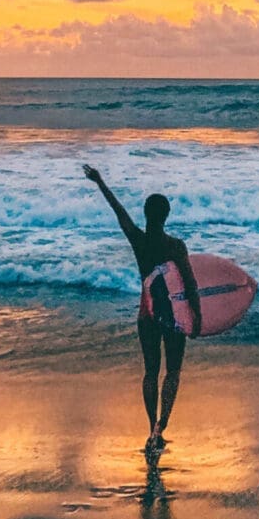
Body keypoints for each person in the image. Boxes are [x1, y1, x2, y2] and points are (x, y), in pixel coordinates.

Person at [83, 165, 201, 451]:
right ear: (167, 216)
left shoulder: (139, 241)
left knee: (151, 371)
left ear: (146, 214)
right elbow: (190, 283)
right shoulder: (175, 246)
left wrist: (100, 181)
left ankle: (150, 428)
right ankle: (163, 424)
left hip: (147, 314)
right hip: (172, 316)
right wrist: (197, 318)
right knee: (172, 372)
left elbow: (118, 212)